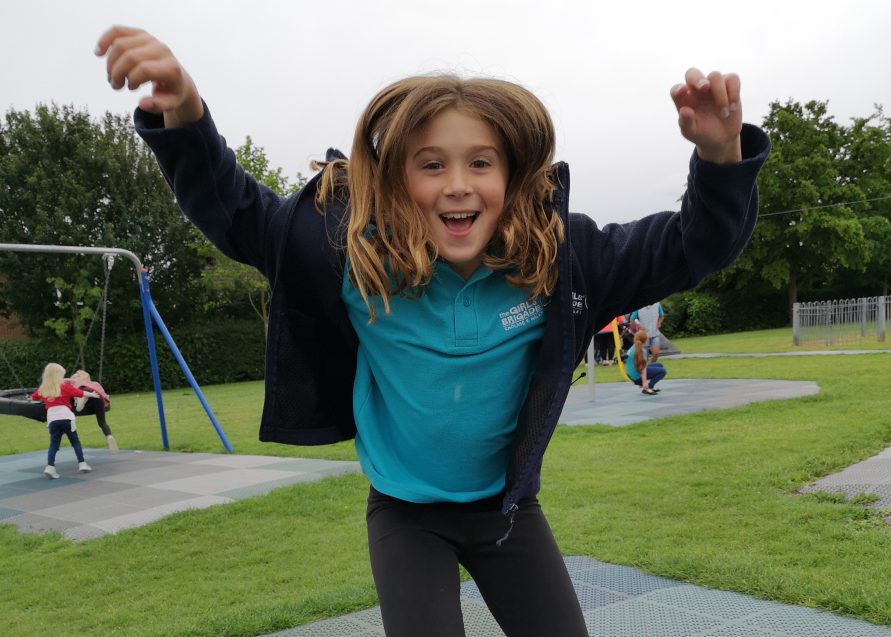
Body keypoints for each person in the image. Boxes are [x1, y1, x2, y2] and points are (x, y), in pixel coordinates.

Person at [96, 25, 769, 637]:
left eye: (479, 163)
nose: (456, 186)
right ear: (396, 179)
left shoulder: (562, 258)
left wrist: (720, 161)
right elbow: (236, 211)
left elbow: (691, 245)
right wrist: (183, 114)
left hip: (507, 515)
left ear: (511, 174)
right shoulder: (347, 251)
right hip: (405, 514)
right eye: (430, 164)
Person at [31, 363, 97, 478]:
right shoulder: (65, 387)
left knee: (54, 444)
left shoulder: (44, 389)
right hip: (66, 418)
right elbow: (80, 393)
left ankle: (50, 467)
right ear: (58, 376)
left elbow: (34, 397)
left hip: (52, 420)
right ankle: (82, 464)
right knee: (75, 441)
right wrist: (93, 394)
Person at [66, 370, 118, 453]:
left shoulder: (73, 381)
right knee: (102, 422)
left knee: (77, 406)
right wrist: (106, 399)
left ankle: (81, 400)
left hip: (82, 391)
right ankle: (109, 436)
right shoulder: (95, 384)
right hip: (97, 395)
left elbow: (61, 384)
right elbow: (105, 395)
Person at [626, 330, 667, 395]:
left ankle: (646, 385)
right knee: (663, 371)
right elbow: (643, 368)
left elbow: (628, 362)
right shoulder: (642, 351)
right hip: (637, 378)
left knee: (659, 365)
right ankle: (648, 387)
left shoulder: (631, 348)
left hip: (631, 375)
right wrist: (644, 382)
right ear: (645, 340)